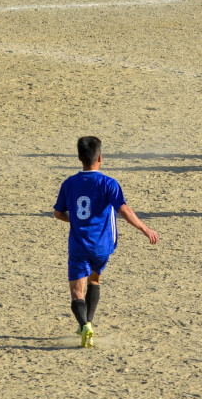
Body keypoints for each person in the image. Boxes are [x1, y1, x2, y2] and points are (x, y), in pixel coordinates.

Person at [53, 136, 159, 347]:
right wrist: (145, 229)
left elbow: (58, 213)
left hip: (78, 245)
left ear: (78, 158)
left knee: (76, 292)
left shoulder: (69, 183)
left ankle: (85, 326)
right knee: (94, 279)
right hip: (102, 246)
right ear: (100, 157)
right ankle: (89, 321)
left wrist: (74, 219)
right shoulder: (108, 183)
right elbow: (124, 209)